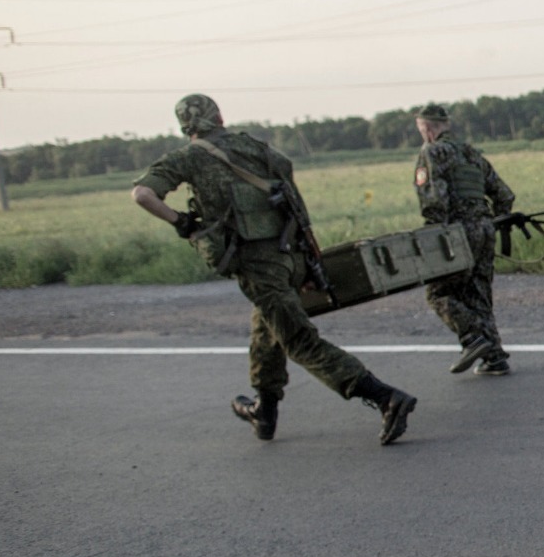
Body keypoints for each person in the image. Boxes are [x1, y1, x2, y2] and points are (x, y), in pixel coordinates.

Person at [130, 94, 417, 444]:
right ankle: (264, 411)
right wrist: (310, 263)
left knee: (297, 340)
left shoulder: (188, 157)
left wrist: (182, 223)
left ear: (185, 126)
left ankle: (384, 397)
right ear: (219, 117)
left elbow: (143, 194)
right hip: (291, 255)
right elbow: (296, 205)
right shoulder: (258, 149)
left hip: (256, 263)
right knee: (266, 329)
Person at [413, 103, 515, 376]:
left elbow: (434, 201)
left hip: (457, 233)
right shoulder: (471, 153)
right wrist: (494, 221)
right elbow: (504, 195)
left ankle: (472, 338)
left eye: (422, 130)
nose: (423, 135)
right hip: (484, 229)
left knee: (438, 293)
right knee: (479, 295)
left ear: (428, 128)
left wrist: (437, 236)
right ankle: (494, 358)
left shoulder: (431, 152)